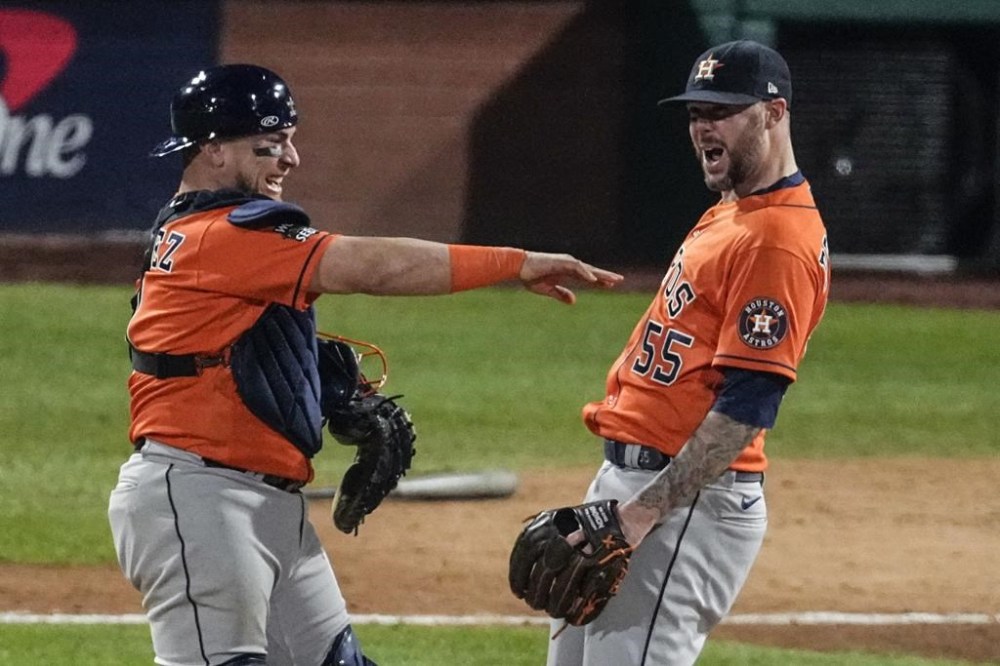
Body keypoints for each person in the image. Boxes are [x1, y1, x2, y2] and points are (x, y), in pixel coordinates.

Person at [107, 63, 622, 666]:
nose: (289, 159)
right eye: (269, 145)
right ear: (214, 151)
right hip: (200, 501)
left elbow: (217, 350)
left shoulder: (189, 229)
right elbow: (373, 266)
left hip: (255, 501)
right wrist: (515, 262)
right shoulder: (224, 235)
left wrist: (312, 385)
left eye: (289, 141)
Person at [542, 40, 830, 665]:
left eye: (721, 110)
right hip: (638, 484)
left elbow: (749, 404)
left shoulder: (776, 239)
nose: (703, 126)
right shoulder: (733, 211)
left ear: (774, 113)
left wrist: (641, 515)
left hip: (685, 504)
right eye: (696, 112)